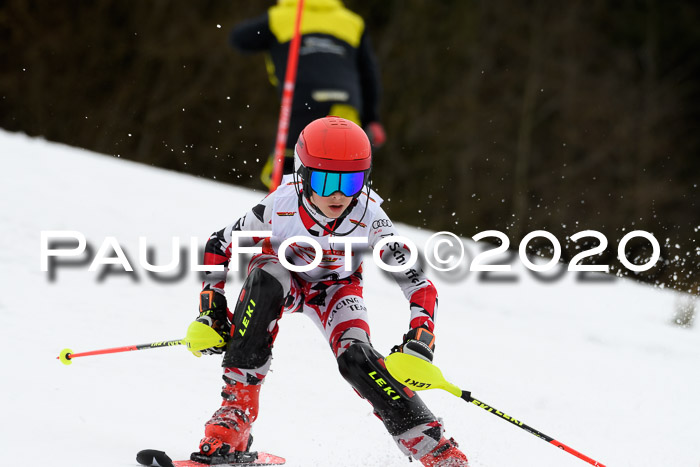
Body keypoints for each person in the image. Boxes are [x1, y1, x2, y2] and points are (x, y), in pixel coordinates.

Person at [188, 117, 467, 466]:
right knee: (266, 279)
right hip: (285, 278)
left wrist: (420, 340)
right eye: (324, 180)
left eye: (350, 182)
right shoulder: (280, 205)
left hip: (336, 290)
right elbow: (218, 244)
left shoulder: (371, 218)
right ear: (302, 174)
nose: (337, 194)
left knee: (356, 359)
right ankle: (235, 413)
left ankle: (437, 451)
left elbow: (417, 283)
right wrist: (212, 308)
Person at [230, 0, 387, 188]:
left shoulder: (281, 18)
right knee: (343, 168)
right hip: (346, 103)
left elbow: (239, 39)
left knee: (290, 169)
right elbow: (369, 76)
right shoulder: (352, 22)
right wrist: (372, 119)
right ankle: (341, 209)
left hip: (304, 102)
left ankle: (289, 211)